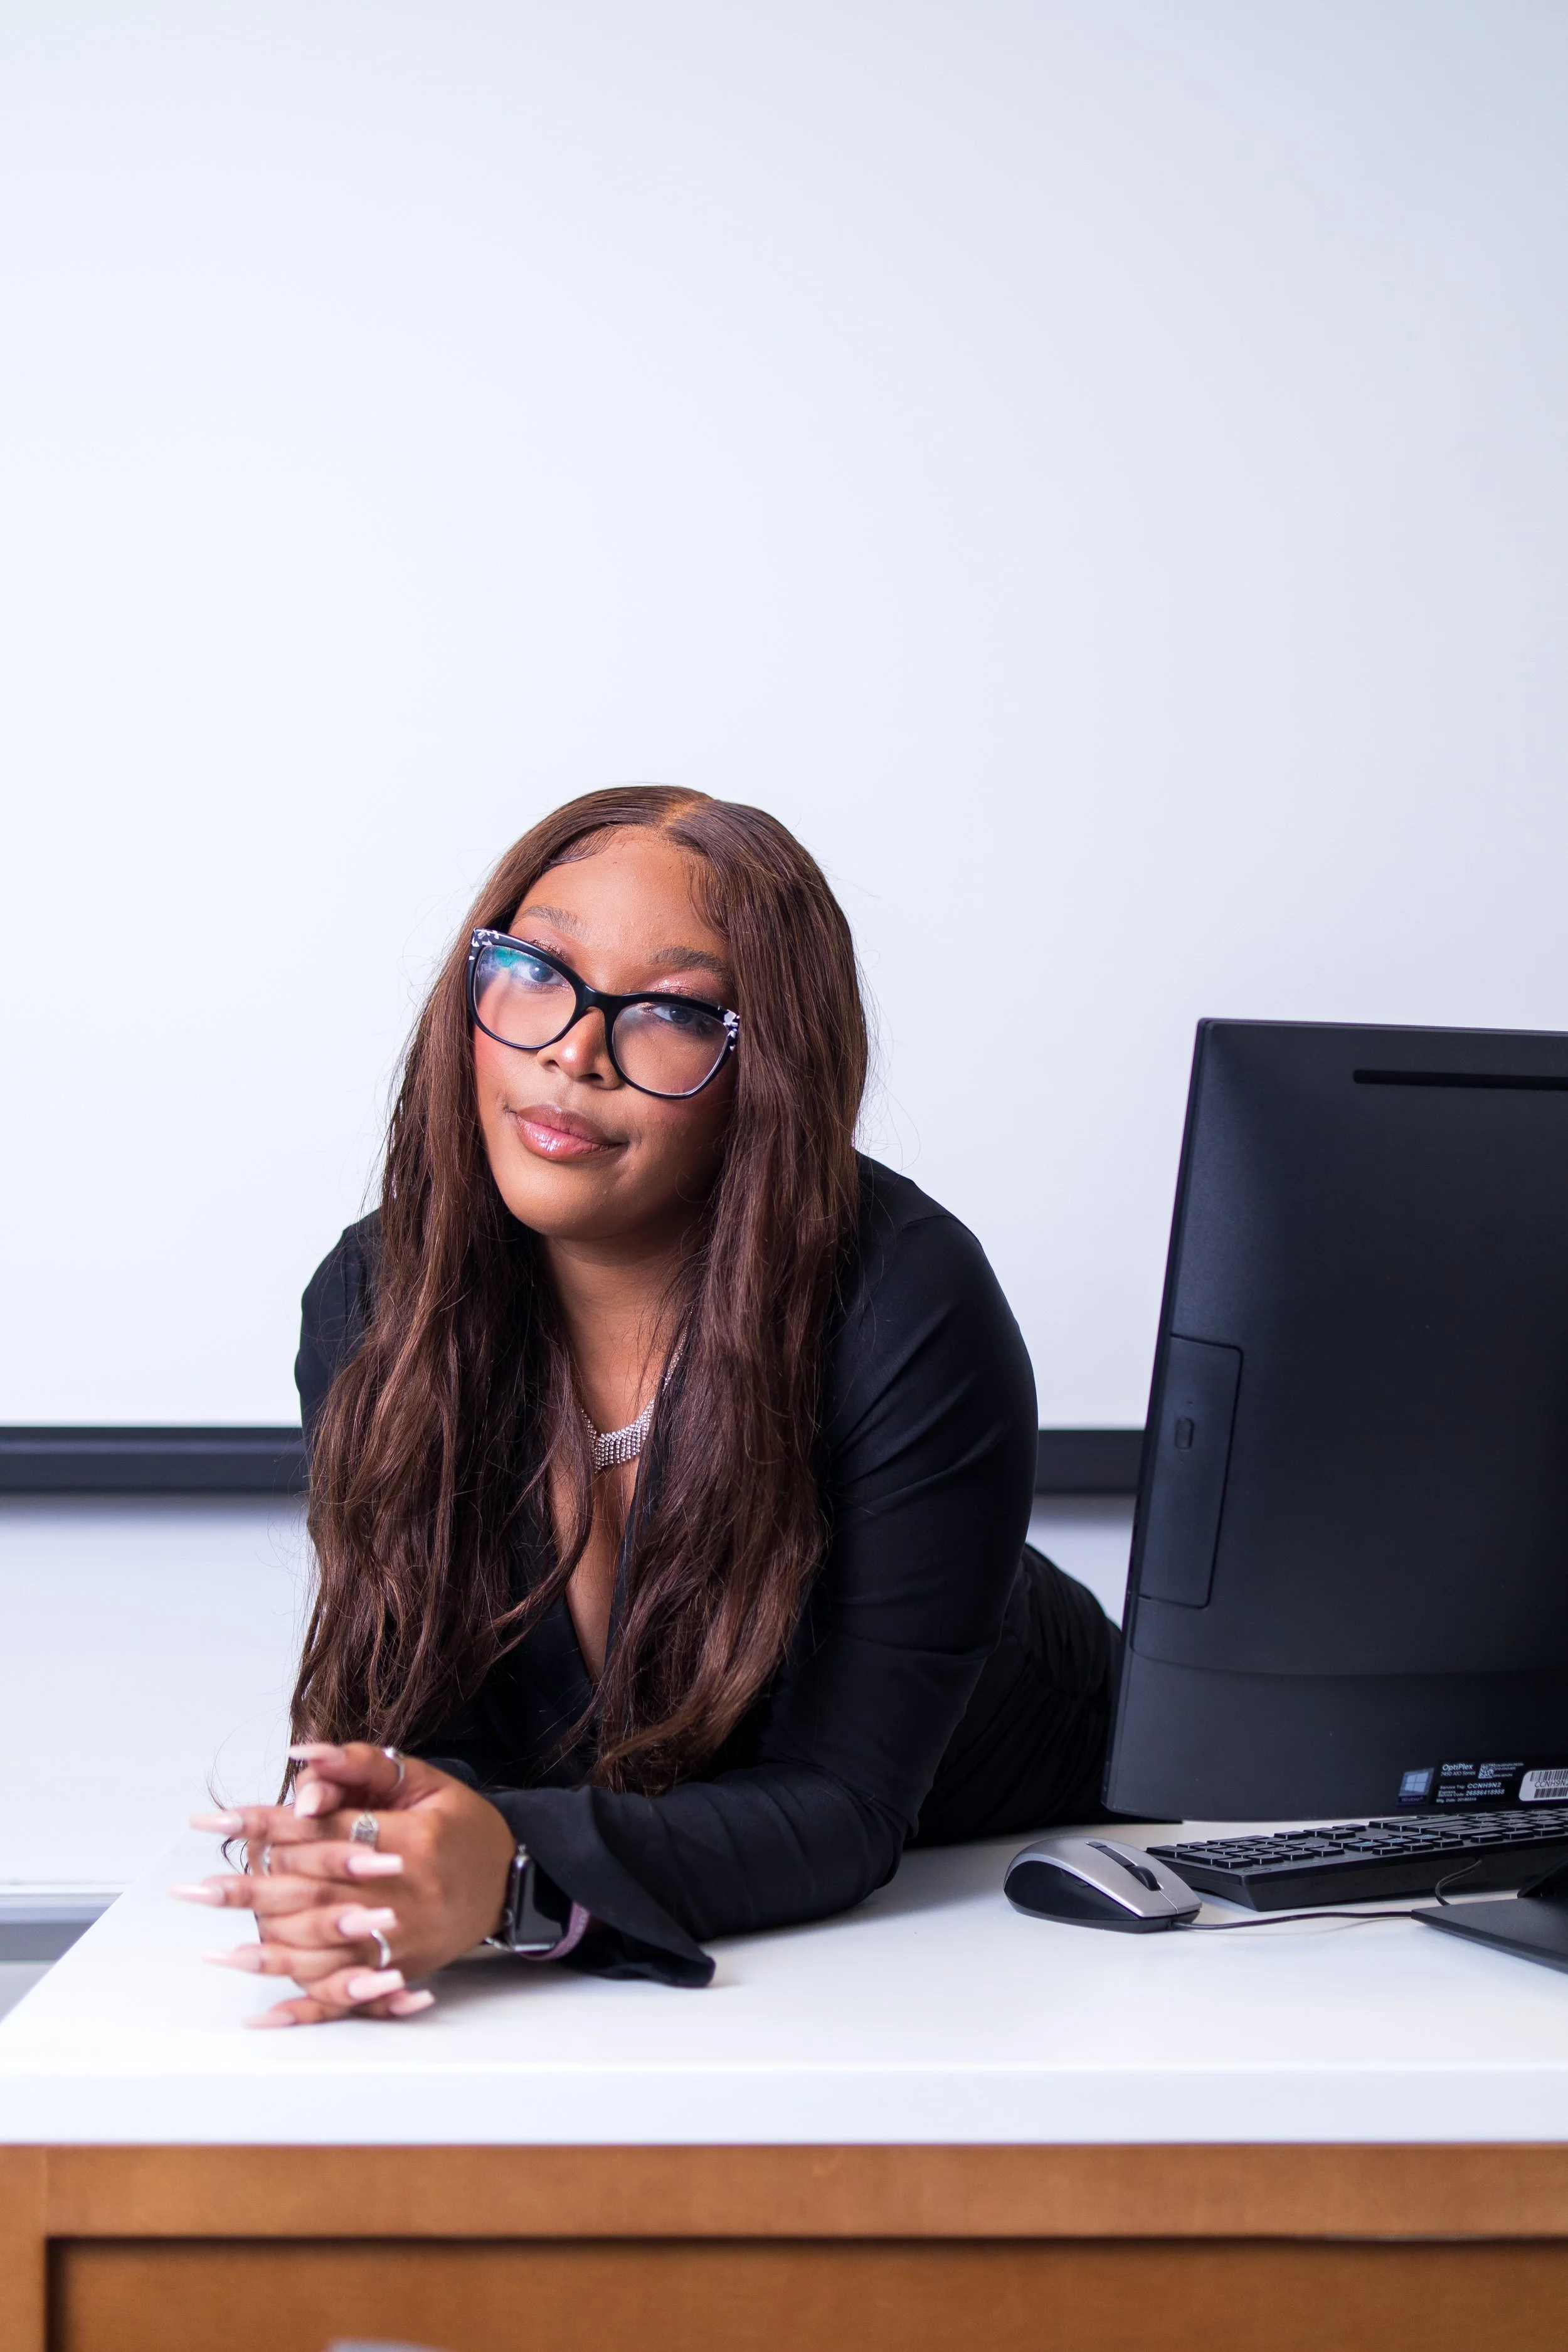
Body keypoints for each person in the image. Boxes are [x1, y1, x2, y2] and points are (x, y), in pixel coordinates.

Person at [176, 787, 1119, 2025]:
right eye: (533, 971)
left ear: (763, 1070)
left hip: (1027, 1881)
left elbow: (843, 1808)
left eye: (671, 1011)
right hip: (712, 1907)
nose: (570, 1051)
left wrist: (503, 1870)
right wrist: (367, 1862)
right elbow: (417, 1732)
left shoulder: (906, 1300)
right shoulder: (377, 1300)